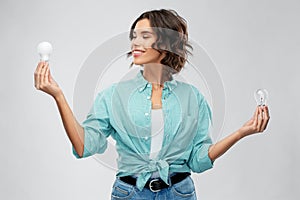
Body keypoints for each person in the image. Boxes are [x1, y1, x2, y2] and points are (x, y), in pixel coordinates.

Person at [34, 9, 270, 200]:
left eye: (145, 36)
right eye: (134, 36)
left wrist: (241, 132)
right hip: (130, 194)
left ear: (167, 42)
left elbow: (198, 160)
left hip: (180, 193)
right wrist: (59, 96)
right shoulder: (114, 95)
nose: (135, 42)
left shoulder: (192, 97)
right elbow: (84, 146)